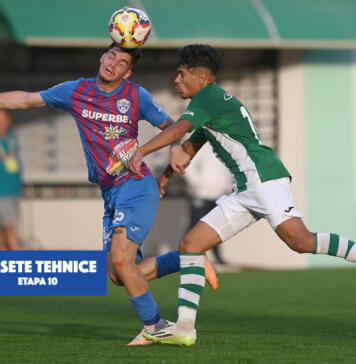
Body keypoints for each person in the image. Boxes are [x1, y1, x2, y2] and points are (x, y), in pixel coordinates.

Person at [127, 44, 356, 346]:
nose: (176, 79)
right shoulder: (210, 102)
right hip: (246, 189)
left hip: (263, 180)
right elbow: (191, 144)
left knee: (300, 241)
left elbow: (179, 130)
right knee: (191, 245)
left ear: (199, 76)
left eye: (181, 73)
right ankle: (184, 328)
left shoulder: (207, 97)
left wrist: (140, 151)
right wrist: (165, 176)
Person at [0, 43, 219, 346]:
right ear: (102, 58)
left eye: (122, 62)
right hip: (111, 192)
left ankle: (156, 328)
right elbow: (25, 100)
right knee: (119, 273)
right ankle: (187, 260)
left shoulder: (135, 95)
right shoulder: (75, 91)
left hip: (136, 183)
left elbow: (173, 126)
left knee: (120, 259)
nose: (113, 63)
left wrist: (173, 150)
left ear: (127, 72)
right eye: (111, 56)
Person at [184, 142, 232, 265]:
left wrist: (226, 186)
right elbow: (189, 166)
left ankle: (218, 258)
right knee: (194, 227)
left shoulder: (225, 149)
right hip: (201, 194)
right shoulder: (202, 147)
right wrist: (198, 184)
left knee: (216, 228)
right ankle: (185, 258)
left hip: (219, 196)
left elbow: (228, 170)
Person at [0, 110, 22, 250]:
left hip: (13, 191)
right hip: (2, 193)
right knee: (11, 231)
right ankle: (21, 267)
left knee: (3, 233)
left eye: (3, 119)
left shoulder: (12, 136)